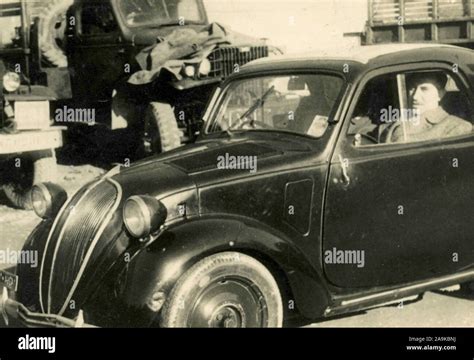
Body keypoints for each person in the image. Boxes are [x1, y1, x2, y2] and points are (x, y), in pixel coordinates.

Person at [386, 72, 472, 143]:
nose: (415, 96)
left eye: (424, 89)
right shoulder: (396, 120)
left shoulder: (457, 126)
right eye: (412, 88)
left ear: (440, 94)